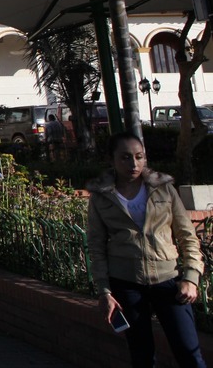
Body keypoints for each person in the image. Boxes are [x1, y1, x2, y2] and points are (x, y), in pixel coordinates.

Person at [87, 131, 206, 368]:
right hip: (126, 282)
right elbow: (96, 246)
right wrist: (104, 291)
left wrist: (191, 277)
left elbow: (187, 236)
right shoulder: (101, 197)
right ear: (111, 160)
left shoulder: (163, 189)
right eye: (125, 157)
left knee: (189, 352)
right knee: (142, 356)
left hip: (168, 280)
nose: (134, 163)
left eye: (139, 156)